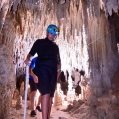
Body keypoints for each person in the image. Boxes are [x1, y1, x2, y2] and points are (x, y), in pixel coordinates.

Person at [25, 24, 61, 119]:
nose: (53, 35)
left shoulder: (55, 47)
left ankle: (47, 117)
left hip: (52, 73)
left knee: (50, 97)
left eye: (55, 34)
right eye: (52, 33)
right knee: (45, 94)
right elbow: (30, 54)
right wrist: (28, 60)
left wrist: (58, 72)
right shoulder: (39, 42)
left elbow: (58, 63)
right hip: (42, 70)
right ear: (47, 33)